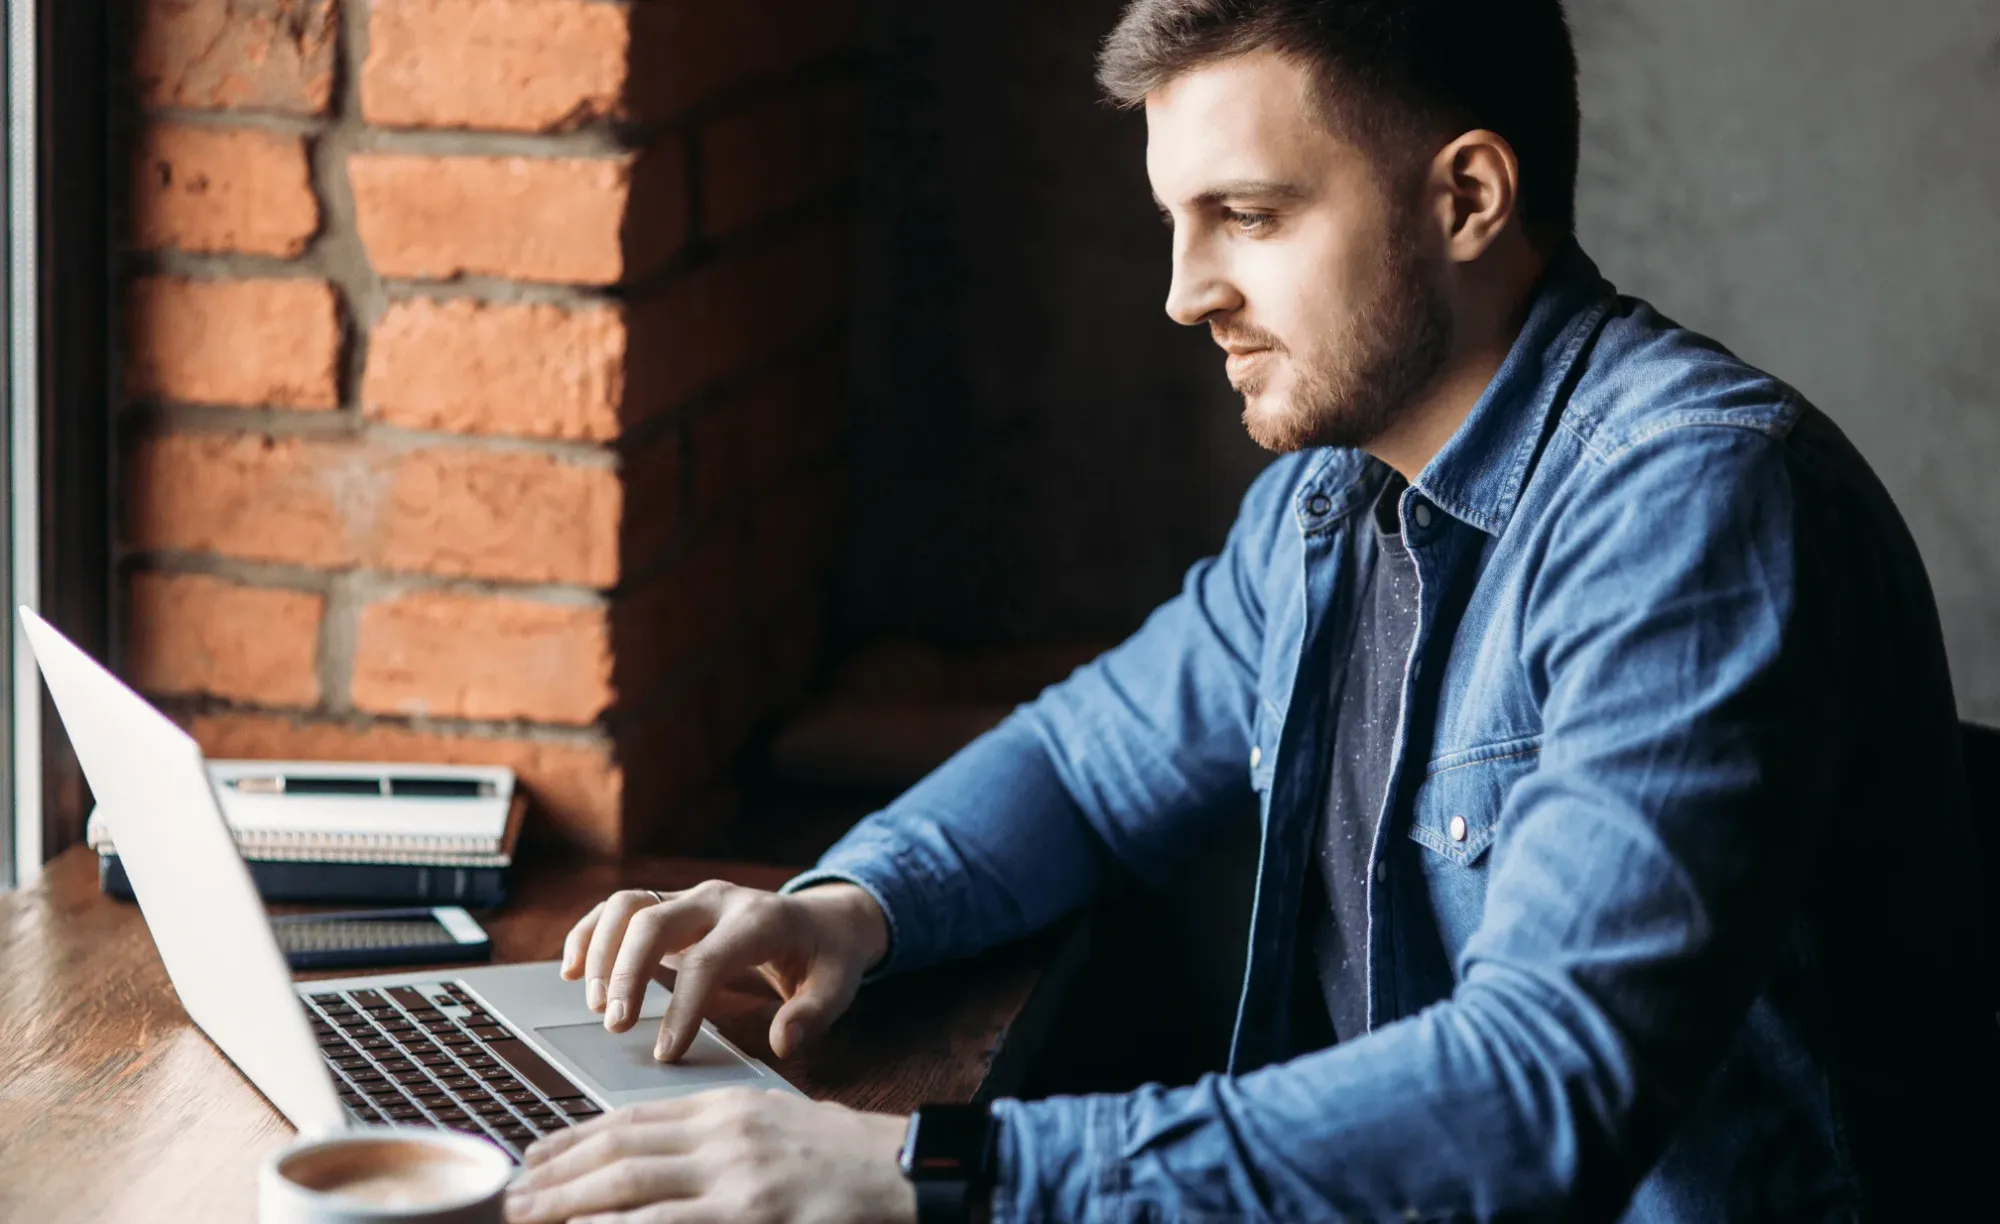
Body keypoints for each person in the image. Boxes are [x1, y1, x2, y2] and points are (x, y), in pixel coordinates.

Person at [503, 2, 1996, 1221]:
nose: (1182, 291)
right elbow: (1090, 760)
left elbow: (1549, 1087)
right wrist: (848, 905)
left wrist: (939, 1169)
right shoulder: (1329, 500)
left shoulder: (1691, 504)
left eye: (1248, 215)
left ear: (1468, 196)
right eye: (1175, 219)